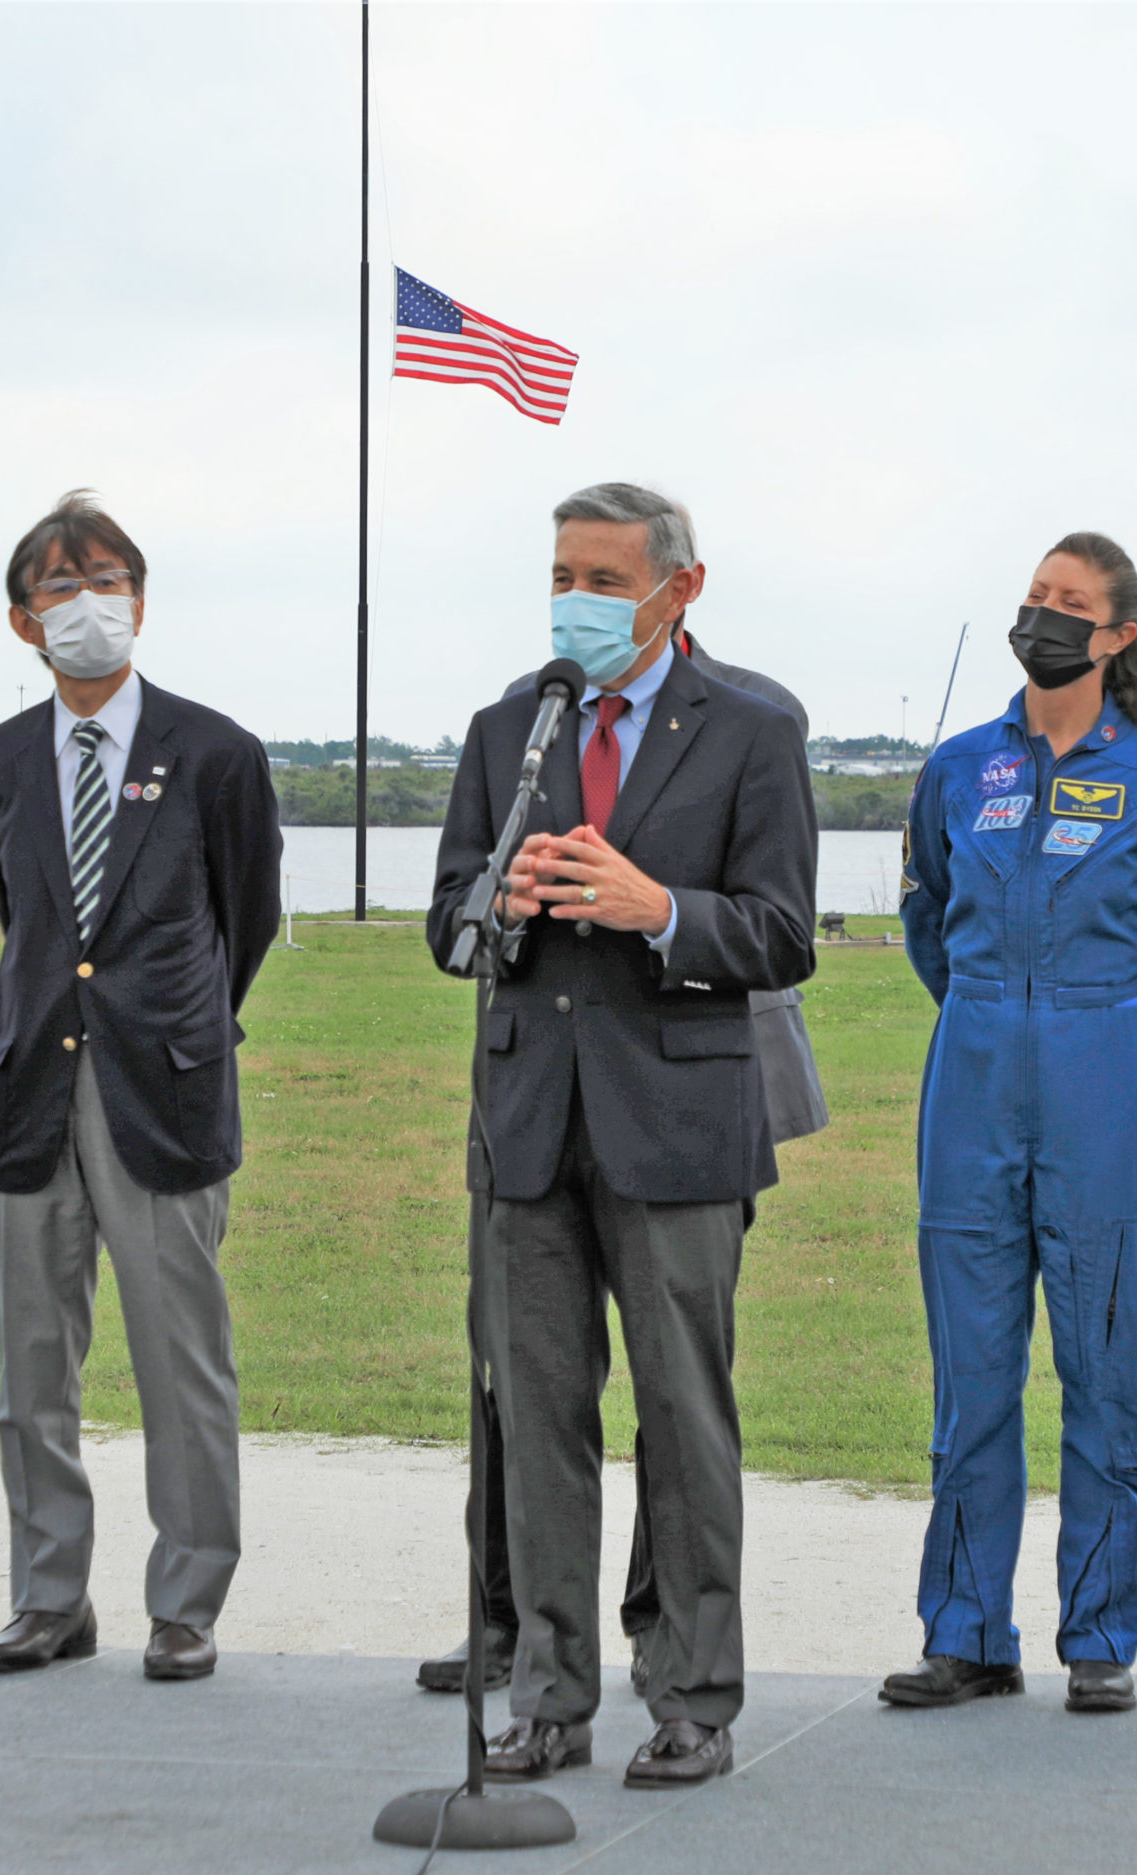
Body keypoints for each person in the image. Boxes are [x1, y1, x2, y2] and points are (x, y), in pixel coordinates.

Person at [428, 481, 817, 1788]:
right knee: (535, 1417)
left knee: (681, 1418)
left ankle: (693, 1693)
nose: (576, 602)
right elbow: (446, 925)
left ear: (678, 588)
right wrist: (507, 896)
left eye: (604, 579)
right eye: (563, 576)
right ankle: (550, 1694)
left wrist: (660, 909)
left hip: (682, 1125)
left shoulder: (752, 733)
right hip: (528, 1128)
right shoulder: (509, 728)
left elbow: (781, 934)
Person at [888, 532, 1137, 1716]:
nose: (1042, 615)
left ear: (1115, 637)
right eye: (1033, 597)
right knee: (971, 1373)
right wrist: (988, 1018)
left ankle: (1099, 1632)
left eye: (1070, 604)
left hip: (1107, 1073)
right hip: (974, 1077)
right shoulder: (957, 769)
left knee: (1111, 1365)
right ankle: (966, 1633)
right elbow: (924, 918)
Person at [0, 491, 281, 1684]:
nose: (85, 603)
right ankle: (49, 1596)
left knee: (178, 1361)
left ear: (139, 601)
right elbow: (25, 913)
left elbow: (242, 922)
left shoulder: (216, 753)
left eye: (105, 580)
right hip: (31, 1087)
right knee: (31, 1363)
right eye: (59, 586)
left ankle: (186, 1602)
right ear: (21, 620)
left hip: (165, 1091)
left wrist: (174, 1019)